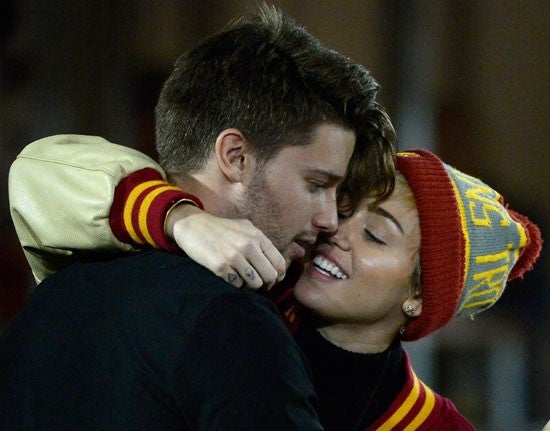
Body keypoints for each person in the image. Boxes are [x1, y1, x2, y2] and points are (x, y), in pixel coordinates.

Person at [1, 5, 396, 430]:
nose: (329, 220)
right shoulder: (235, 326)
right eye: (316, 184)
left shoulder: (51, 298)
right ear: (236, 157)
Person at [7, 135, 543, 429]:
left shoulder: (428, 425)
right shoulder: (251, 275)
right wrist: (181, 219)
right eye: (344, 208)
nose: (334, 229)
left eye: (375, 235)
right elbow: (41, 170)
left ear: (419, 299)